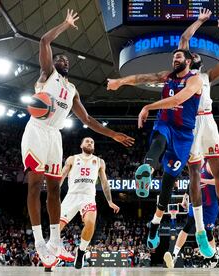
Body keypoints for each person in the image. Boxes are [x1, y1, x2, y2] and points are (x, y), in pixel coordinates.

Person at [20, 9, 134, 268]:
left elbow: (89, 122)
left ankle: (55, 241)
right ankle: (40, 242)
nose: (63, 61)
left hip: (54, 136)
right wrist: (65, 24)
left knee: (52, 191)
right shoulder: (47, 74)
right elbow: (44, 42)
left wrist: (112, 134)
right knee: (35, 186)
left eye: (66, 60)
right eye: (60, 58)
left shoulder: (72, 90)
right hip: (37, 130)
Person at [107, 48, 203, 251]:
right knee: (159, 140)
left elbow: (177, 100)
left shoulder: (195, 80)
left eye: (178, 57)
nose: (174, 59)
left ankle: (155, 224)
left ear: (188, 61)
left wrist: (147, 107)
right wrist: (120, 81)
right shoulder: (166, 76)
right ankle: (147, 170)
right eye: (173, 57)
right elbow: (141, 78)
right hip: (165, 123)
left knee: (168, 182)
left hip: (184, 133)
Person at [178, 8, 219, 256]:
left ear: (198, 61)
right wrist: (200, 20)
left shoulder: (206, 76)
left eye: (193, 55)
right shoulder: (182, 75)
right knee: (194, 173)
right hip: (190, 124)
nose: (190, 54)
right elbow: (184, 40)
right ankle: (201, 230)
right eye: (188, 55)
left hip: (208, 121)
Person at [58, 137, 120, 269]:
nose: (90, 143)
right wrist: (53, 193)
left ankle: (80, 252)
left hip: (88, 197)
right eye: (87, 141)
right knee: (57, 227)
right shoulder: (72, 159)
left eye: (92, 142)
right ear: (81, 144)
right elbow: (62, 176)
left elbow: (104, 182)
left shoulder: (99, 161)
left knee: (91, 223)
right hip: (72, 196)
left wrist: (110, 201)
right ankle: (51, 255)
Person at [163, 159, 219, 268]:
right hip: (197, 202)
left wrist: (203, 180)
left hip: (210, 205)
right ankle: (174, 255)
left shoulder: (209, 165)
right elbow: (191, 182)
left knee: (208, 231)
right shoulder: (195, 167)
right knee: (188, 225)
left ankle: (214, 256)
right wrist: (185, 196)